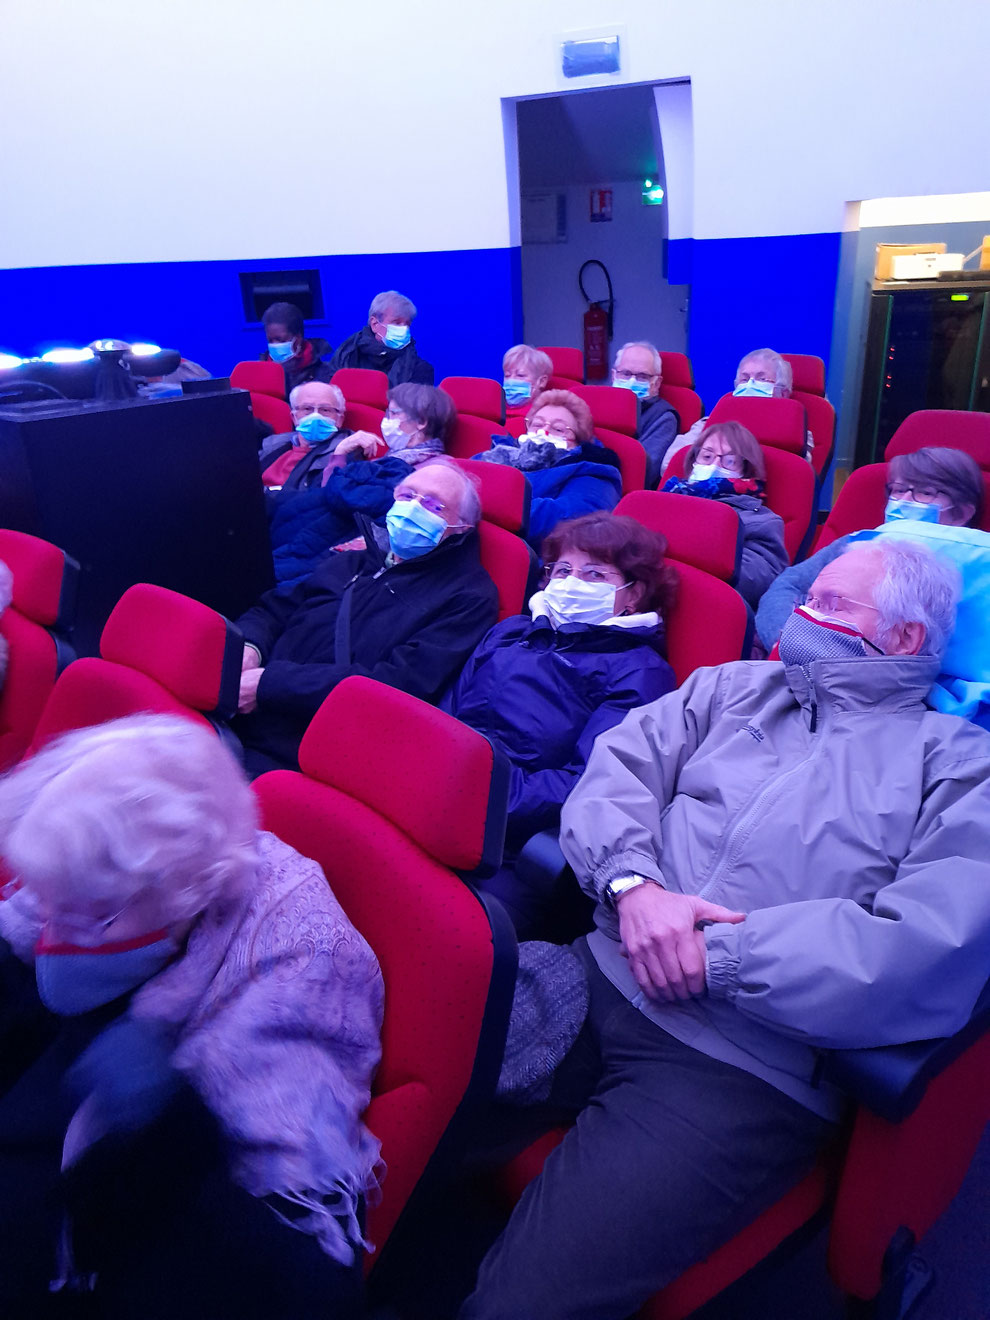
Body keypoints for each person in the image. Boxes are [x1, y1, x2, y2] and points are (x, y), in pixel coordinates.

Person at [461, 540, 990, 1320]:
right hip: (598, 965)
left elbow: (924, 944)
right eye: (806, 598)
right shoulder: (732, 687)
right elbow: (616, 775)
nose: (803, 615)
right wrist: (632, 885)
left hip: (739, 1062)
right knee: (389, 1103)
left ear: (906, 639)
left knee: (519, 1306)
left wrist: (719, 957)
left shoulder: (959, 767)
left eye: (833, 606)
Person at [0, 716, 383, 1319]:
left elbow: (310, 1293)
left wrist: (167, 1125)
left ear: (188, 900)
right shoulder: (83, 873)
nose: (50, 934)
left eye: (87, 916)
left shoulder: (292, 962)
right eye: (48, 904)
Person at [447, 512, 677, 938]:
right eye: (564, 570)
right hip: (441, 800)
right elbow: (445, 717)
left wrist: (475, 796)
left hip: (510, 843)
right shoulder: (512, 631)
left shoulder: (640, 672)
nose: (573, 582)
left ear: (634, 594)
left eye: (595, 574)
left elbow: (584, 782)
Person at [236, 457, 498, 776]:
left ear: (461, 528)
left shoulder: (468, 597)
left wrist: (269, 685)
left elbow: (396, 685)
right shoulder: (357, 560)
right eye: (406, 496)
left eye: (433, 505)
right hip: (243, 703)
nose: (413, 509)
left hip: (304, 747)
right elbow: (275, 609)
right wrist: (249, 649)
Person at [757, 445, 990, 725]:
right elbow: (786, 586)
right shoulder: (859, 544)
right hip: (840, 690)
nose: (905, 500)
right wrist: (789, 637)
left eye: (925, 493)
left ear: (963, 512)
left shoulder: (982, 558)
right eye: (898, 490)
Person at [268, 381, 454, 588]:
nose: (385, 421)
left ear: (421, 421)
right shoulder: (391, 458)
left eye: (393, 414)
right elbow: (327, 495)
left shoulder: (433, 472)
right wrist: (339, 454)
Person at [662, 421, 788, 608]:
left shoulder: (761, 520)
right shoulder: (662, 499)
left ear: (746, 470)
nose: (714, 465)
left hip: (703, 607)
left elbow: (759, 581)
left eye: (729, 461)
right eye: (706, 456)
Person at [475, 389, 622, 548]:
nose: (543, 431)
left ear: (578, 440)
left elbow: (567, 520)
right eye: (537, 424)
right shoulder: (500, 453)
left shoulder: (595, 472)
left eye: (558, 429)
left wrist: (479, 507)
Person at [661, 346, 812, 478]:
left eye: (762, 379)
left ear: (783, 393)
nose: (750, 385)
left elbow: (796, 479)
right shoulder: (710, 423)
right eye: (744, 379)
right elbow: (669, 465)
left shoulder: (795, 434)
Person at [327, 290, 434, 386]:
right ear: (375, 324)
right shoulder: (347, 356)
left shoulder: (419, 368)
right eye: (396, 322)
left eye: (407, 324)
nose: (404, 329)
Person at [611, 341, 680, 486]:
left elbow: (641, 475)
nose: (632, 381)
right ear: (614, 376)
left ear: (656, 383)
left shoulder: (664, 418)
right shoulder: (595, 403)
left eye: (642, 376)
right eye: (626, 373)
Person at [260, 381, 350, 490]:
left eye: (325, 410)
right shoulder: (273, 444)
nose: (315, 416)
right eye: (307, 409)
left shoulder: (343, 453)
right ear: (294, 418)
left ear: (340, 420)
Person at [259, 301, 332, 395]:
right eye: (270, 340)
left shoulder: (324, 375)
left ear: (298, 339)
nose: (274, 345)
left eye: (280, 340)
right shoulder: (259, 374)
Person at [502, 345, 552, 418]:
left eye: (520, 375)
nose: (511, 380)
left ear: (542, 381)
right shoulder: (495, 410)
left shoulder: (546, 415)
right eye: (507, 375)